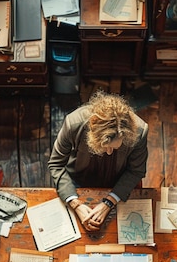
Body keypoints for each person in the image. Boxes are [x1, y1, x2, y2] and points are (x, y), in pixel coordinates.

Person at [48, 90, 148, 232]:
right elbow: (56, 164)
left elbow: (136, 171)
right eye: (105, 146)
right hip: (77, 179)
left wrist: (109, 202)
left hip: (118, 181)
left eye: (115, 148)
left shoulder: (140, 131)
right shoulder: (73, 123)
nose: (109, 153)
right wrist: (75, 204)